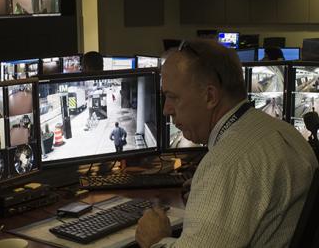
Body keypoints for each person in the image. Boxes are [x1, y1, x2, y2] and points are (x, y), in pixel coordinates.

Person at [135, 39, 318, 248]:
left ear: (210, 96)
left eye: (173, 97)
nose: (166, 109)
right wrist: (211, 193)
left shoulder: (226, 164)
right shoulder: (283, 132)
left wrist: (156, 240)